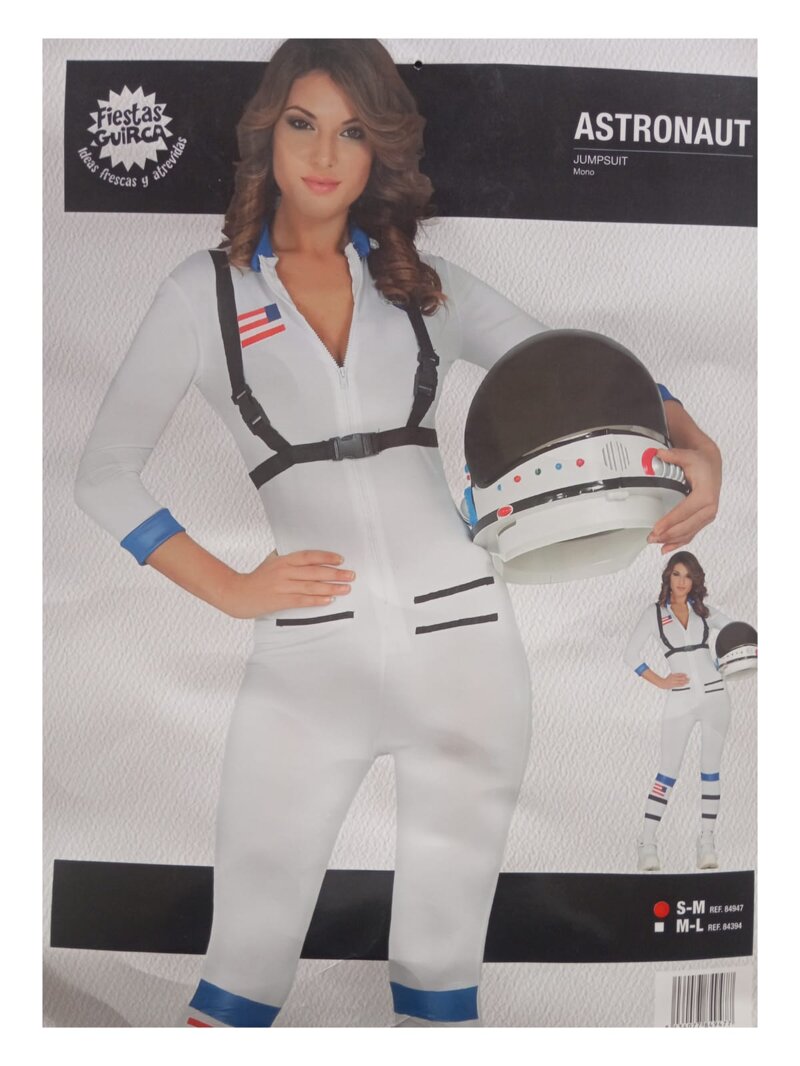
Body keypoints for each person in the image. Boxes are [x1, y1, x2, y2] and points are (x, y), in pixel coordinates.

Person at [75, 39, 723, 1027]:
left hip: (467, 648)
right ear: (267, 132)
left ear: (380, 150)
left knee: (439, 974)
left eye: (352, 132)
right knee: (240, 973)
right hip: (306, 657)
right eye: (303, 123)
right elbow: (103, 472)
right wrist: (231, 587)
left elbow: (571, 368)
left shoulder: (423, 282)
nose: (323, 154)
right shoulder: (200, 294)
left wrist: (696, 443)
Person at [624, 552, 735, 873]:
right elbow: (630, 655)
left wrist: (725, 663)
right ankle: (647, 843)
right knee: (667, 772)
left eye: (688, 575)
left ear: (695, 579)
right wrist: (660, 680)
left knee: (710, 770)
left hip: (716, 697)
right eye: (676, 574)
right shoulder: (654, 613)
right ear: (668, 577)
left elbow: (739, 632)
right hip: (680, 700)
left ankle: (707, 841)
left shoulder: (704, 611)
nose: (682, 581)